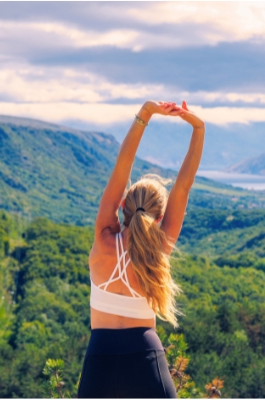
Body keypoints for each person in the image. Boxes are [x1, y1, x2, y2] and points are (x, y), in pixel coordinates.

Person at [77, 100, 205, 398]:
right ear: (159, 218)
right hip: (146, 356)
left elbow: (122, 167)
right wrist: (198, 127)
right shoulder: (159, 248)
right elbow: (183, 186)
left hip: (100, 357)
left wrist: (145, 113)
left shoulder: (103, 238)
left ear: (121, 205)